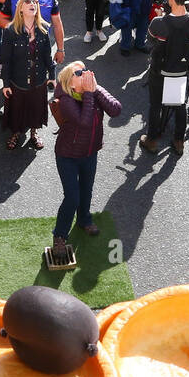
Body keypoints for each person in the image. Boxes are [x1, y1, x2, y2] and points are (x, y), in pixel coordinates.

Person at [49, 61, 121, 262]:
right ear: (71, 84)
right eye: (79, 72)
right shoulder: (65, 99)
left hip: (89, 153)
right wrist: (90, 94)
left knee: (87, 189)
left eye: (86, 69)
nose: (86, 73)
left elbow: (116, 109)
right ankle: (60, 235)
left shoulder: (93, 90)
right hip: (67, 156)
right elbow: (84, 122)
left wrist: (96, 90)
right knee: (72, 196)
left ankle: (83, 220)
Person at [141, 0, 189, 156]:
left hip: (160, 71)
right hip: (181, 71)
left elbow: (149, 45)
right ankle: (178, 141)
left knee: (155, 106)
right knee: (179, 105)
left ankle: (151, 140)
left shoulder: (158, 23)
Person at [0, 0, 55, 152]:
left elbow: (47, 56)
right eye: (28, 1)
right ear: (20, 8)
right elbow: (6, 60)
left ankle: (33, 132)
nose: (33, 4)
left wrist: (52, 76)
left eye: (35, 2)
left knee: (36, 106)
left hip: (38, 79)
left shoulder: (43, 29)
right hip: (18, 80)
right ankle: (16, 133)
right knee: (17, 108)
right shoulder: (10, 31)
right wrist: (5, 84)